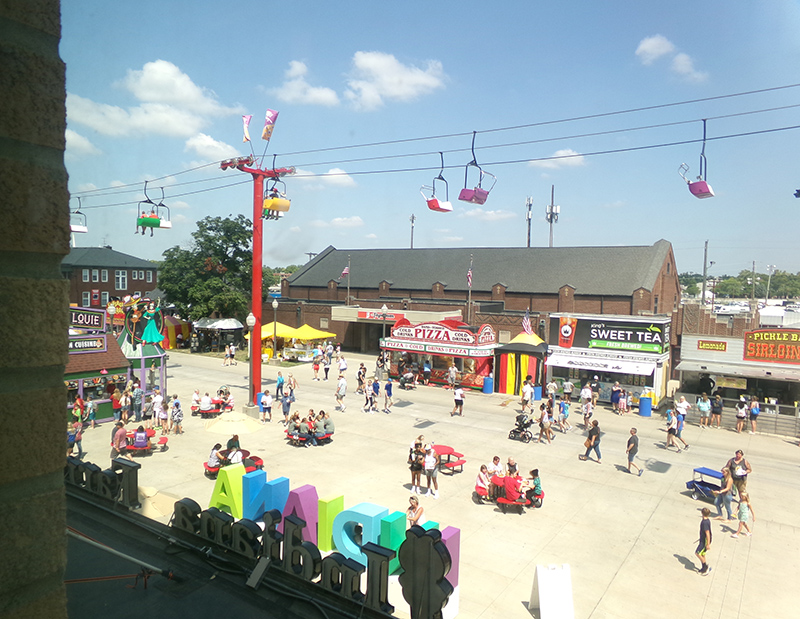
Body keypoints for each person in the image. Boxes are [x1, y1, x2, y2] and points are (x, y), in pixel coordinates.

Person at [695, 508, 713, 576]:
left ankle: (705, 567)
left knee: (697, 553)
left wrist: (708, 544)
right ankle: (703, 567)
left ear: (702, 513)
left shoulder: (704, 522)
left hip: (704, 541)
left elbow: (707, 533)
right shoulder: (707, 520)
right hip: (703, 539)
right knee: (702, 554)